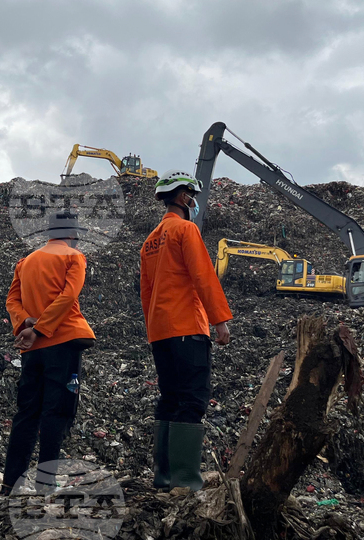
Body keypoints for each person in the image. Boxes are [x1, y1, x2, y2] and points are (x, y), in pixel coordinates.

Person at [141, 170, 232, 492]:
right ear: (183, 197)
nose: (194, 202)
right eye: (192, 196)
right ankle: (185, 480)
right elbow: (203, 276)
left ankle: (163, 476)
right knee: (192, 400)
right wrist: (219, 319)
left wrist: (154, 327)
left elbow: (146, 292)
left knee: (169, 399)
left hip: (161, 331)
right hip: (187, 329)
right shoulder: (185, 229)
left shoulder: (150, 241)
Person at [2, 211, 96, 494]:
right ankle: (45, 483)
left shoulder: (26, 262)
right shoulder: (73, 257)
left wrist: (26, 324)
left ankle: (10, 484)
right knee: (56, 412)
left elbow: (12, 300)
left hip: (32, 349)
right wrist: (42, 328)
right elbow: (68, 296)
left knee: (27, 413)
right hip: (62, 342)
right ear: (73, 234)